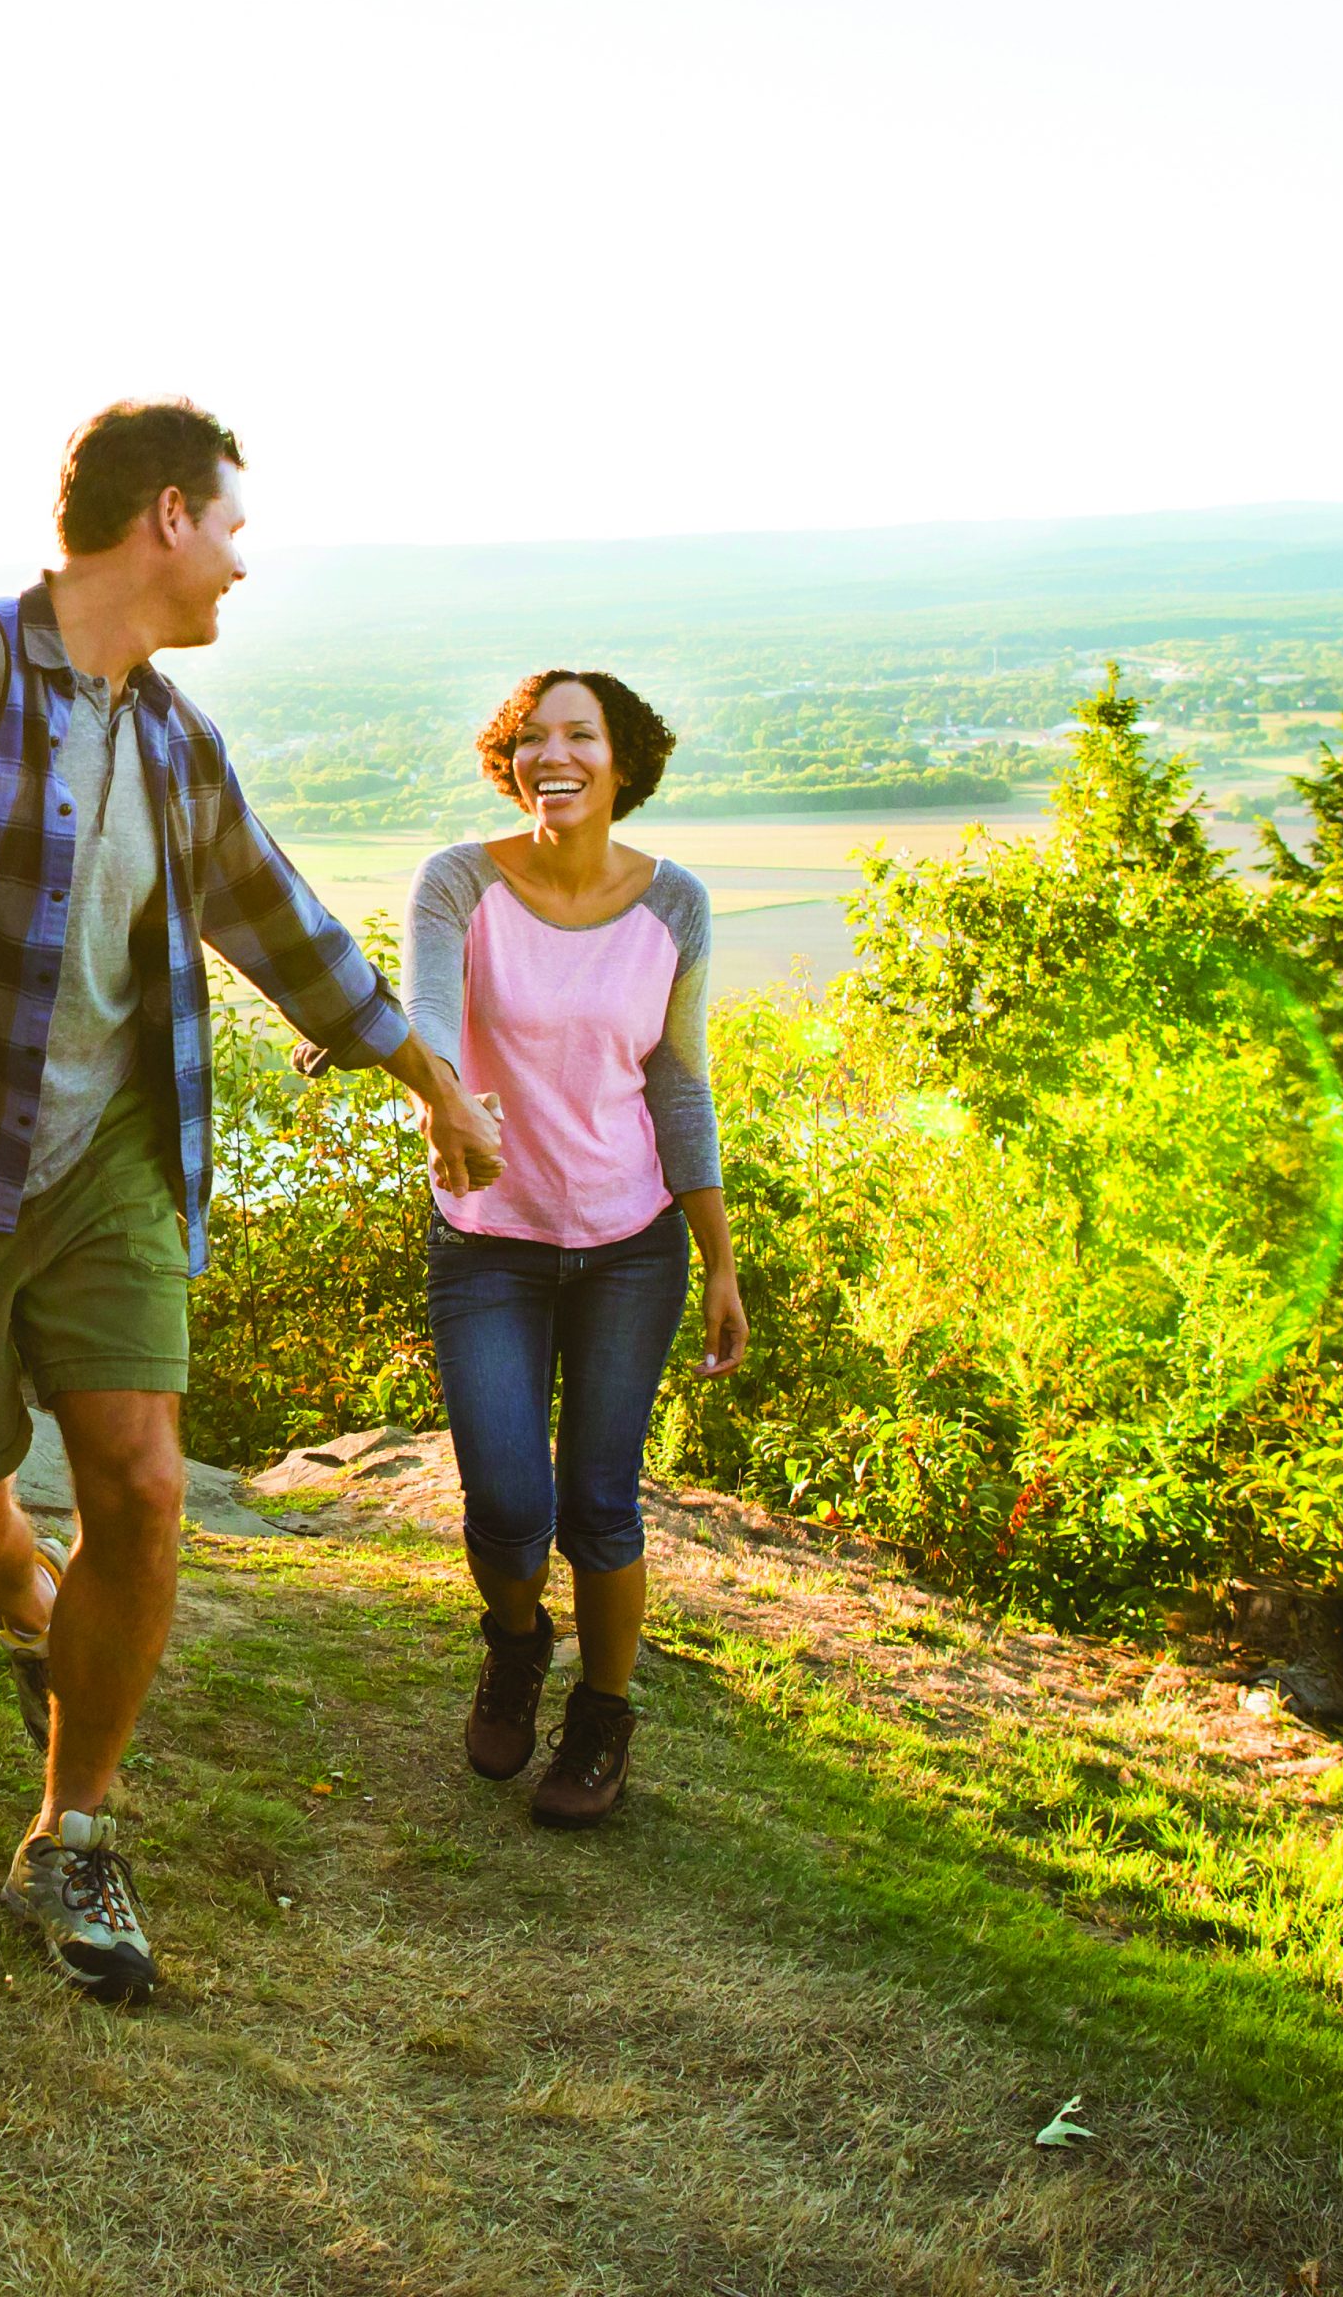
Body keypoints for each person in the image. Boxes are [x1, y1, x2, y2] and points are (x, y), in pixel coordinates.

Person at [0, 399, 503, 2003]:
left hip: (111, 1166)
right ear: (162, 519)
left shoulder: (166, 736)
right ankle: (37, 1625)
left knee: (142, 1486)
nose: (237, 566)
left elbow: (285, 927)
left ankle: (75, 1833)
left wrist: (437, 1087)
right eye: (229, 530)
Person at [403, 668, 750, 1828]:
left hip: (630, 1245)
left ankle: (602, 1716)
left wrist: (718, 1258)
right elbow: (431, 1018)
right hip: (490, 1243)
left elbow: (680, 1086)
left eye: (581, 735)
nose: (556, 754)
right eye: (533, 736)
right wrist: (440, 1096)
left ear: (622, 761)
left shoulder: (677, 906)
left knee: (601, 1501)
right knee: (506, 1503)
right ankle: (514, 1639)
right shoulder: (460, 881)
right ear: (511, 758)